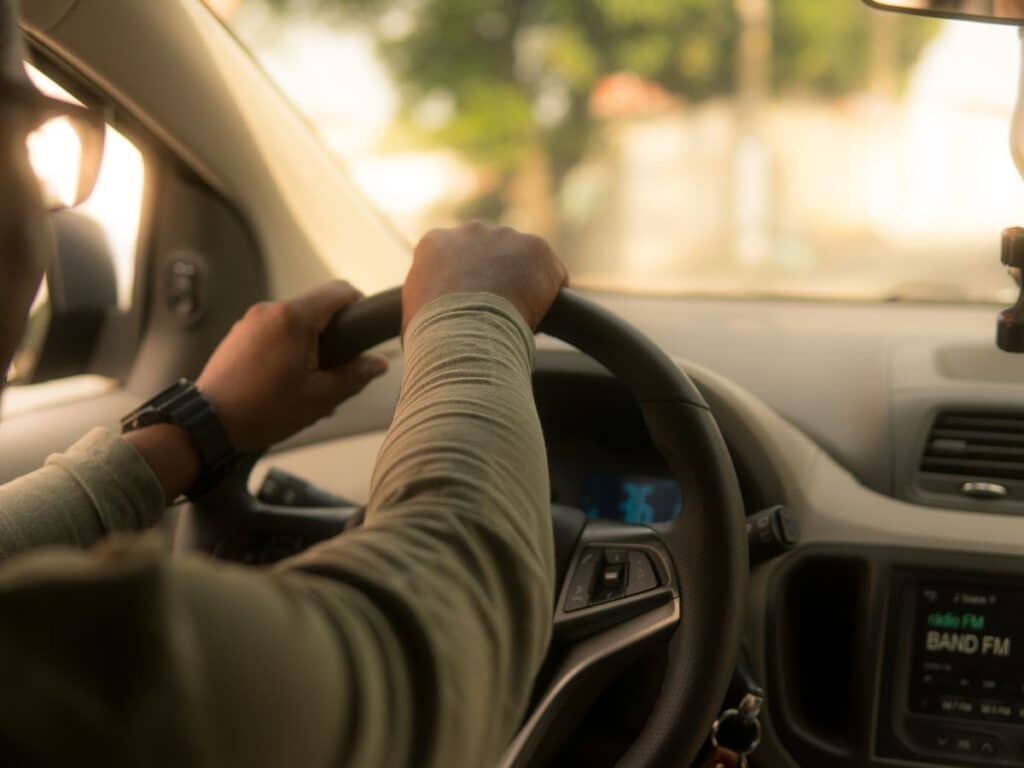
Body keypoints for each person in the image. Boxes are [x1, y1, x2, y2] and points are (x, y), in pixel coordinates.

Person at [0, 1, 568, 764]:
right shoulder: (81, 672)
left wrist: (197, 429)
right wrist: (474, 321)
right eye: (28, 130)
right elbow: (425, 658)